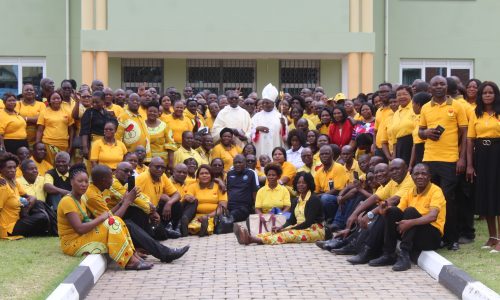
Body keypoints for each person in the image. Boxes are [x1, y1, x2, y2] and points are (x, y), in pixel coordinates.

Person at [83, 164, 190, 262]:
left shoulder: (97, 189)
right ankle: (164, 253)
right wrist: (127, 201)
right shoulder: (93, 196)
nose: (113, 178)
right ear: (103, 180)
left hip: (101, 225)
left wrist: (122, 202)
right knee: (128, 223)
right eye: (111, 177)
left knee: (136, 212)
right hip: (93, 232)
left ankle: (151, 246)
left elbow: (108, 214)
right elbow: (112, 221)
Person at [57, 164, 152, 270]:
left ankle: (132, 256)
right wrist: (103, 217)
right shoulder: (67, 201)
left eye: (86, 181)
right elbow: (80, 229)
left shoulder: (79, 199)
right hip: (72, 244)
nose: (84, 184)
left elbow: (105, 216)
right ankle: (129, 261)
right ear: (71, 182)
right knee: (113, 222)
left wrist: (122, 202)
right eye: (80, 181)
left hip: (81, 237)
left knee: (116, 221)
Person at [418, 75, 468, 251]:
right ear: (430, 89)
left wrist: (462, 158)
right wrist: (426, 133)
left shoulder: (457, 106)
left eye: (442, 84)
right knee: (431, 200)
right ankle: (436, 237)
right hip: (429, 160)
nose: (439, 87)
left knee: (448, 199)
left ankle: (452, 239)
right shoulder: (425, 108)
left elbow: (465, 133)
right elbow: (420, 131)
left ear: (447, 88)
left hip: (450, 160)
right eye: (435, 84)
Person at [376, 163, 446, 271]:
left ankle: (404, 255)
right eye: (416, 174)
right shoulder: (410, 191)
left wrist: (410, 223)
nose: (420, 176)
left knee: (411, 211)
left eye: (423, 174)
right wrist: (385, 211)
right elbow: (398, 212)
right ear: (412, 177)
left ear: (429, 176)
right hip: (413, 233)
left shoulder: (436, 191)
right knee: (392, 211)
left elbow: (432, 217)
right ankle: (388, 254)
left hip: (431, 237)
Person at [234, 172, 324, 245]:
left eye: (303, 183)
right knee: (274, 232)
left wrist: (287, 229)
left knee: (285, 234)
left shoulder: (313, 199)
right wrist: (280, 227)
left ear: (309, 184)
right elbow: (291, 220)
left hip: (315, 230)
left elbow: (308, 223)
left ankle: (253, 240)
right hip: (300, 227)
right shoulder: (297, 200)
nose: (300, 185)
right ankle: (250, 237)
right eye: (298, 183)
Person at [466, 81, 500, 252]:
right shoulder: (475, 113)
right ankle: (493, 237)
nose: (487, 95)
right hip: (481, 155)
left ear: (496, 95)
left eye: (491, 92)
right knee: (486, 196)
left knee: (498, 195)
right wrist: (470, 165)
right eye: (484, 93)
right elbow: (470, 139)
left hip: (497, 153)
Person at [0, 153, 53, 238]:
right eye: (9, 167)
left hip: (18, 219)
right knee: (42, 217)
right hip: (8, 227)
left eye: (14, 167)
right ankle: (49, 229)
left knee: (38, 203)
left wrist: (28, 206)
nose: (13, 170)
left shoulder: (14, 182)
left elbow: (29, 196)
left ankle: (49, 229)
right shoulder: (2, 186)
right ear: (1, 169)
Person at [135, 157, 183, 235]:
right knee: (161, 235)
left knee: (177, 204)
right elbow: (134, 197)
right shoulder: (142, 178)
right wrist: (152, 212)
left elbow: (177, 194)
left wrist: (169, 203)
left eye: (162, 167)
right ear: (150, 166)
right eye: (157, 167)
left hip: (156, 209)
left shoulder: (162, 176)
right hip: (144, 211)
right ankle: (165, 230)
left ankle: (173, 227)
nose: (160, 169)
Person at [184, 164, 227, 237]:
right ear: (198, 176)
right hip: (196, 215)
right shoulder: (193, 186)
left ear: (211, 175)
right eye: (201, 173)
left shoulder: (219, 187)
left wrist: (207, 216)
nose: (204, 175)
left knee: (208, 224)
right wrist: (188, 197)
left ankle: (203, 230)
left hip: (213, 215)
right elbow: (188, 196)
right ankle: (195, 229)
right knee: (192, 226)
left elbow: (222, 207)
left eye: (207, 173)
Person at [313, 145, 349, 229]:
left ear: (332, 155)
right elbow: (316, 191)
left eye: (327, 153)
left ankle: (332, 221)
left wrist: (319, 196)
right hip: (325, 196)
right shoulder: (318, 172)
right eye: (322, 154)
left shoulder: (338, 167)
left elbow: (337, 189)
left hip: (340, 197)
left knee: (325, 198)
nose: (324, 156)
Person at [36, 92, 74, 164]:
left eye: (58, 98)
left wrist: (70, 146)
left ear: (61, 100)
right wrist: (37, 144)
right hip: (48, 143)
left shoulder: (67, 111)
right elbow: (40, 130)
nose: (56, 100)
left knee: (62, 165)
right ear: (49, 100)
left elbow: (71, 130)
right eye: (54, 99)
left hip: (63, 144)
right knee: (50, 165)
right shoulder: (44, 112)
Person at [250, 83, 287, 158]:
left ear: (273, 104)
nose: (264, 104)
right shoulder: (256, 117)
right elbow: (250, 132)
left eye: (267, 103)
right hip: (260, 147)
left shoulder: (280, 117)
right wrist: (257, 129)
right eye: (263, 102)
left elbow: (285, 136)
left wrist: (283, 125)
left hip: (275, 145)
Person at [79, 91, 114, 159]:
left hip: (106, 143)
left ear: (103, 101)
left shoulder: (107, 113)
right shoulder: (89, 112)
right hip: (93, 143)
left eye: (97, 102)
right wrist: (85, 147)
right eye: (93, 102)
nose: (94, 104)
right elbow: (84, 131)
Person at [116, 93, 150, 160]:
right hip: (129, 157)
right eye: (132, 100)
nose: (135, 102)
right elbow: (118, 138)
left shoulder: (141, 117)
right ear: (127, 101)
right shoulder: (123, 117)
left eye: (137, 100)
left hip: (144, 156)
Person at [388, 86, 415, 165]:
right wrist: (394, 155)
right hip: (399, 147)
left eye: (405, 94)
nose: (402, 97)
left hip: (412, 145)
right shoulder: (396, 113)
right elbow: (394, 139)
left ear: (411, 95)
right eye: (398, 95)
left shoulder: (415, 108)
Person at [226, 155, 258, 222]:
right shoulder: (229, 173)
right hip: (230, 205)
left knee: (235, 214)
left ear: (245, 163)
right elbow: (228, 190)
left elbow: (254, 191)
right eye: (235, 163)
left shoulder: (251, 173)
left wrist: (256, 207)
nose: (237, 164)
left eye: (240, 162)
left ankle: (229, 219)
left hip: (244, 206)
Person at [145, 101, 176, 168]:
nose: (152, 113)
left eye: (155, 112)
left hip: (162, 162)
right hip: (145, 161)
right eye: (150, 111)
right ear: (146, 111)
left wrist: (171, 163)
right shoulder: (141, 125)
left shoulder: (164, 126)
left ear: (158, 113)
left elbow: (171, 145)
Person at [409, 92, 432, 171]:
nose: (412, 106)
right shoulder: (417, 119)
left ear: (418, 105)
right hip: (418, 153)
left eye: (413, 104)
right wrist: (411, 164)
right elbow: (415, 144)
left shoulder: (429, 119)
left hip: (427, 153)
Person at [373, 83, 394, 160]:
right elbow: (375, 131)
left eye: (386, 91)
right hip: (379, 149)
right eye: (381, 92)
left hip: (391, 148)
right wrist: (374, 145)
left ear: (391, 92)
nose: (383, 94)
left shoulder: (395, 109)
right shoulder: (378, 110)